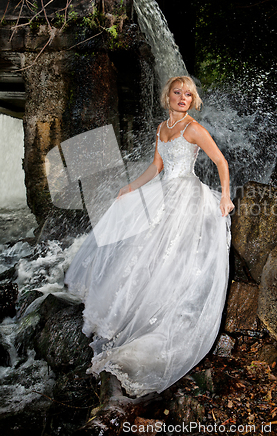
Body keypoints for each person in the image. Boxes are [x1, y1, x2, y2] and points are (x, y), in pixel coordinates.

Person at [65, 76, 234, 398]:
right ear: (167, 96)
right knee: (143, 249)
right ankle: (134, 306)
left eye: (188, 94)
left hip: (186, 193)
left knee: (173, 250)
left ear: (193, 100)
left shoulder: (193, 129)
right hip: (164, 189)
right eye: (177, 92)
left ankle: (167, 309)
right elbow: (157, 166)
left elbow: (220, 161)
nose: (183, 98)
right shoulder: (162, 128)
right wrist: (132, 187)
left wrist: (225, 196)